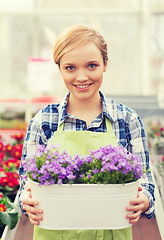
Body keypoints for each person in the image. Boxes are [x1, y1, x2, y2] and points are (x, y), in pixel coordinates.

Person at [18, 24, 155, 240]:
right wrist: (26, 200)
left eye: (92, 65)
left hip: (112, 233)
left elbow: (145, 181)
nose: (81, 77)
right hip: (53, 233)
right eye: (70, 68)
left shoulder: (127, 120)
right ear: (59, 68)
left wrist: (144, 199)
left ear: (105, 65)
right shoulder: (43, 121)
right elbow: (26, 182)